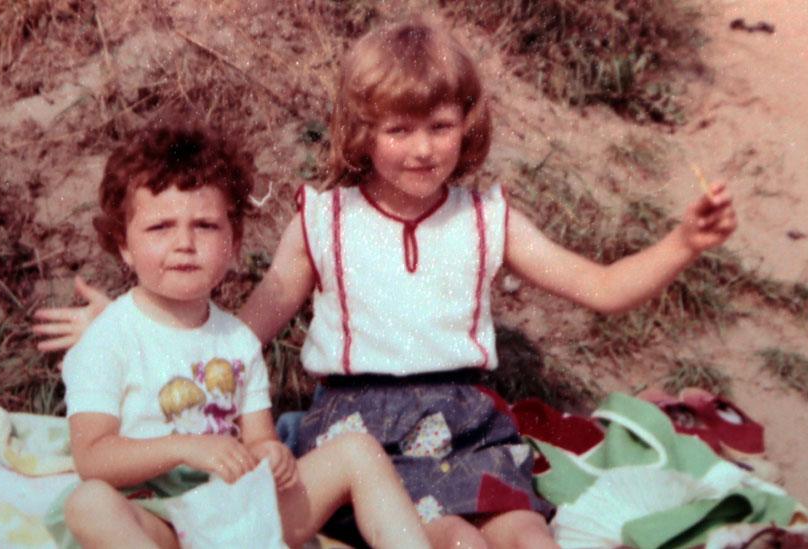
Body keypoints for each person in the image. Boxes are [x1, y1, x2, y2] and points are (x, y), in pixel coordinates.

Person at [36, 19, 737, 549]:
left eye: (439, 125)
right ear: (362, 130)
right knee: (453, 539)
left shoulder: (485, 218)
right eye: (399, 128)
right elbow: (236, 329)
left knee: (527, 537)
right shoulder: (325, 219)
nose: (423, 147)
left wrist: (682, 242)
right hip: (361, 421)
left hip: (466, 421)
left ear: (468, 123)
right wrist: (126, 326)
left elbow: (604, 287)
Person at [45, 123, 430, 549]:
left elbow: (259, 438)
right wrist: (185, 448)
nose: (184, 244)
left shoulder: (237, 341)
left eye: (206, 226)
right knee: (89, 502)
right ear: (124, 245)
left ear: (233, 242)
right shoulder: (108, 339)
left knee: (358, 450)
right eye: (160, 228)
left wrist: (272, 455)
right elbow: (92, 457)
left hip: (235, 515)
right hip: (156, 517)